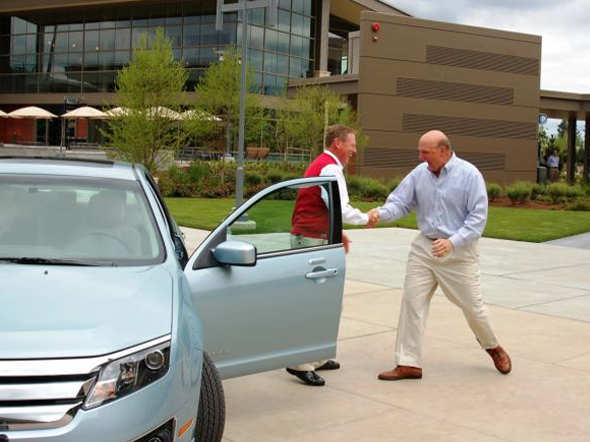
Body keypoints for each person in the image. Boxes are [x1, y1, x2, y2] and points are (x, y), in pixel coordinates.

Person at [368, 130, 511, 381]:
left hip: (458, 252)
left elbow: (478, 219)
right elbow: (400, 202)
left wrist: (452, 242)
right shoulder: (418, 174)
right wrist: (380, 214)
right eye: (420, 151)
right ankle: (408, 363)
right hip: (424, 248)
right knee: (412, 302)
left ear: (444, 151)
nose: (421, 157)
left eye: (426, 152)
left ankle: (492, 346)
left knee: (473, 308)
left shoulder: (469, 175)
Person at [286, 124, 375, 387]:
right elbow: (339, 207)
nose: (354, 150)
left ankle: (318, 356)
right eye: (352, 144)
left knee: (324, 300)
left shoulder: (322, 164)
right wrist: (366, 218)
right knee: (312, 301)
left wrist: (337, 232)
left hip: (314, 236)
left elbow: (326, 207)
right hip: (312, 240)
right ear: (338, 143)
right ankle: (299, 363)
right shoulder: (331, 168)